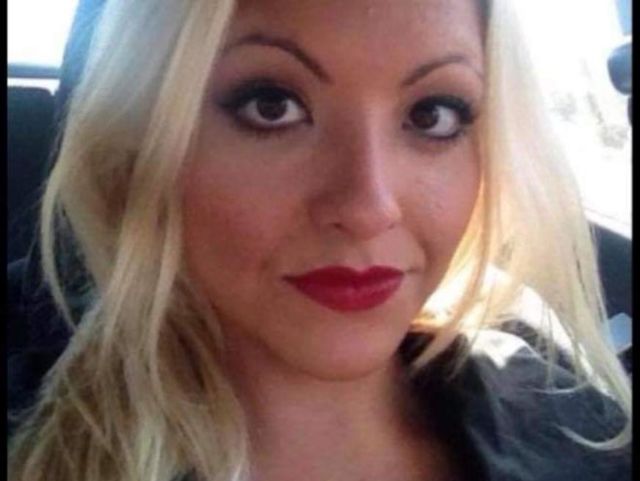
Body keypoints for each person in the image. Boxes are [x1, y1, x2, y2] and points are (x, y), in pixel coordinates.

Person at [8, 0, 631, 480]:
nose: (368, 208)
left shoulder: (564, 400)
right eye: (271, 105)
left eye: (432, 114)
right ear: (140, 145)